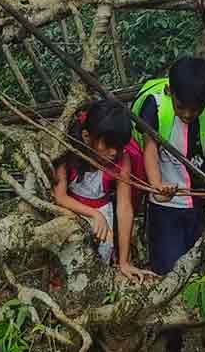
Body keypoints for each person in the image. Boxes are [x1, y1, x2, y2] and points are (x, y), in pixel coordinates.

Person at [131, 58, 205, 351]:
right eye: (183, 107)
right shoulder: (155, 105)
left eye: (196, 108)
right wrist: (156, 185)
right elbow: (150, 149)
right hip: (165, 208)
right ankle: (172, 341)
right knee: (169, 274)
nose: (189, 114)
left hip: (202, 206)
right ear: (170, 92)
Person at [50, 99, 152, 281]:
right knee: (67, 271)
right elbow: (60, 197)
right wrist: (94, 215)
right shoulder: (67, 154)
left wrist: (124, 261)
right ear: (87, 136)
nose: (113, 152)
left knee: (99, 266)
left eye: (118, 146)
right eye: (108, 145)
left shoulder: (122, 160)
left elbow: (124, 208)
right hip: (71, 216)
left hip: (105, 217)